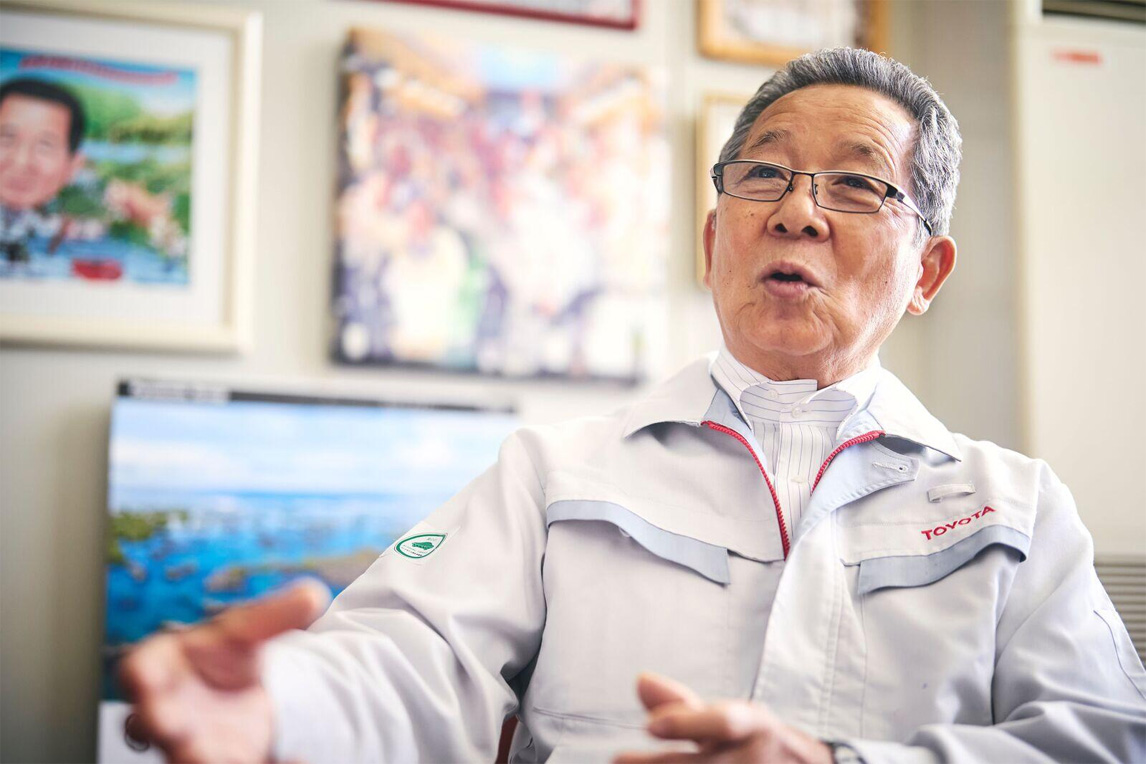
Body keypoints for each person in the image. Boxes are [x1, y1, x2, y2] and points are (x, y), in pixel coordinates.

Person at [120, 48, 1146, 763]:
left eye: (855, 185)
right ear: (712, 240)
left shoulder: (1017, 508)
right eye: (765, 174)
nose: (796, 210)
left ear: (927, 271)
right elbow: (410, 653)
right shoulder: (557, 473)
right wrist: (278, 705)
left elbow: (1107, 739)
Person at [0, 77, 86, 263]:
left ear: (73, 166)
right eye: (6, 139)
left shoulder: (83, 229)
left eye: (45, 146)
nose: (21, 161)